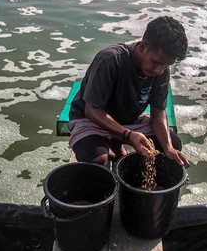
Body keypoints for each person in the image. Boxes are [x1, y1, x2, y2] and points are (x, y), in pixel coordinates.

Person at [68, 16, 189, 167]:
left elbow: (158, 112)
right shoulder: (110, 60)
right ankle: (114, 142)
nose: (159, 70)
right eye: (156, 62)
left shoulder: (161, 70)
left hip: (128, 120)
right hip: (91, 118)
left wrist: (168, 147)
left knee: (173, 147)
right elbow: (91, 110)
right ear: (143, 46)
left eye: (165, 66)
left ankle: (116, 142)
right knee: (98, 161)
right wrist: (127, 135)